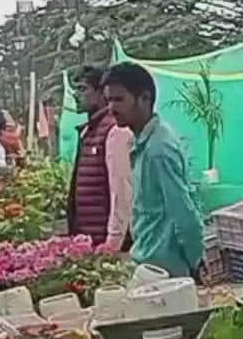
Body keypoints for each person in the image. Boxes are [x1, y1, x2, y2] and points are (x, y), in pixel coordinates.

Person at [103, 63, 205, 279]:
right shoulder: (140, 142)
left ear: (145, 98)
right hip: (148, 264)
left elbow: (184, 214)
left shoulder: (158, 149)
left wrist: (197, 264)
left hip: (166, 272)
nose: (111, 108)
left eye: (119, 99)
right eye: (109, 100)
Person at [66, 65, 133, 251]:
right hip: (90, 241)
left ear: (102, 93)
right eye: (75, 89)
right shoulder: (89, 131)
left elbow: (121, 191)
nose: (76, 95)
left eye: (82, 89)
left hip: (107, 244)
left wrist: (114, 241)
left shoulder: (115, 130)